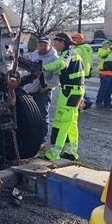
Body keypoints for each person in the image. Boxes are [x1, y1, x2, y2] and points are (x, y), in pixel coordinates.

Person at [42, 33, 85, 161]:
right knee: (71, 123)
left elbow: (61, 64)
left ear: (63, 42)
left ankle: (54, 153)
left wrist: (43, 67)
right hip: (75, 91)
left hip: (69, 93)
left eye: (57, 41)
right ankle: (72, 152)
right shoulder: (74, 54)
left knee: (63, 122)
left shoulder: (68, 53)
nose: (55, 44)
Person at [22, 35, 59, 142]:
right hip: (30, 89)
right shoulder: (34, 54)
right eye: (40, 45)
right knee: (31, 114)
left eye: (45, 45)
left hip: (43, 91)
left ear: (49, 45)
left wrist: (47, 86)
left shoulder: (54, 59)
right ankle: (32, 135)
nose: (42, 47)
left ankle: (42, 138)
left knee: (42, 115)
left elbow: (57, 79)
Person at [72, 33, 93, 109]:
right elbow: (90, 60)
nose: (74, 40)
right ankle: (85, 101)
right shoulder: (88, 48)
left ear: (80, 39)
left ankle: (86, 101)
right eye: (73, 39)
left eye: (75, 39)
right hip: (85, 70)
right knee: (80, 86)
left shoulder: (78, 49)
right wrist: (90, 69)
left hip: (78, 71)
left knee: (78, 87)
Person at [96, 39, 112, 108]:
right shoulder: (101, 51)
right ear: (103, 45)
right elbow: (103, 55)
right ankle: (99, 102)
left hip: (111, 73)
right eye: (107, 44)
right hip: (104, 73)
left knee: (110, 89)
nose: (109, 46)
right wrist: (109, 50)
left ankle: (107, 102)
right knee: (103, 89)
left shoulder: (110, 51)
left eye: (109, 44)